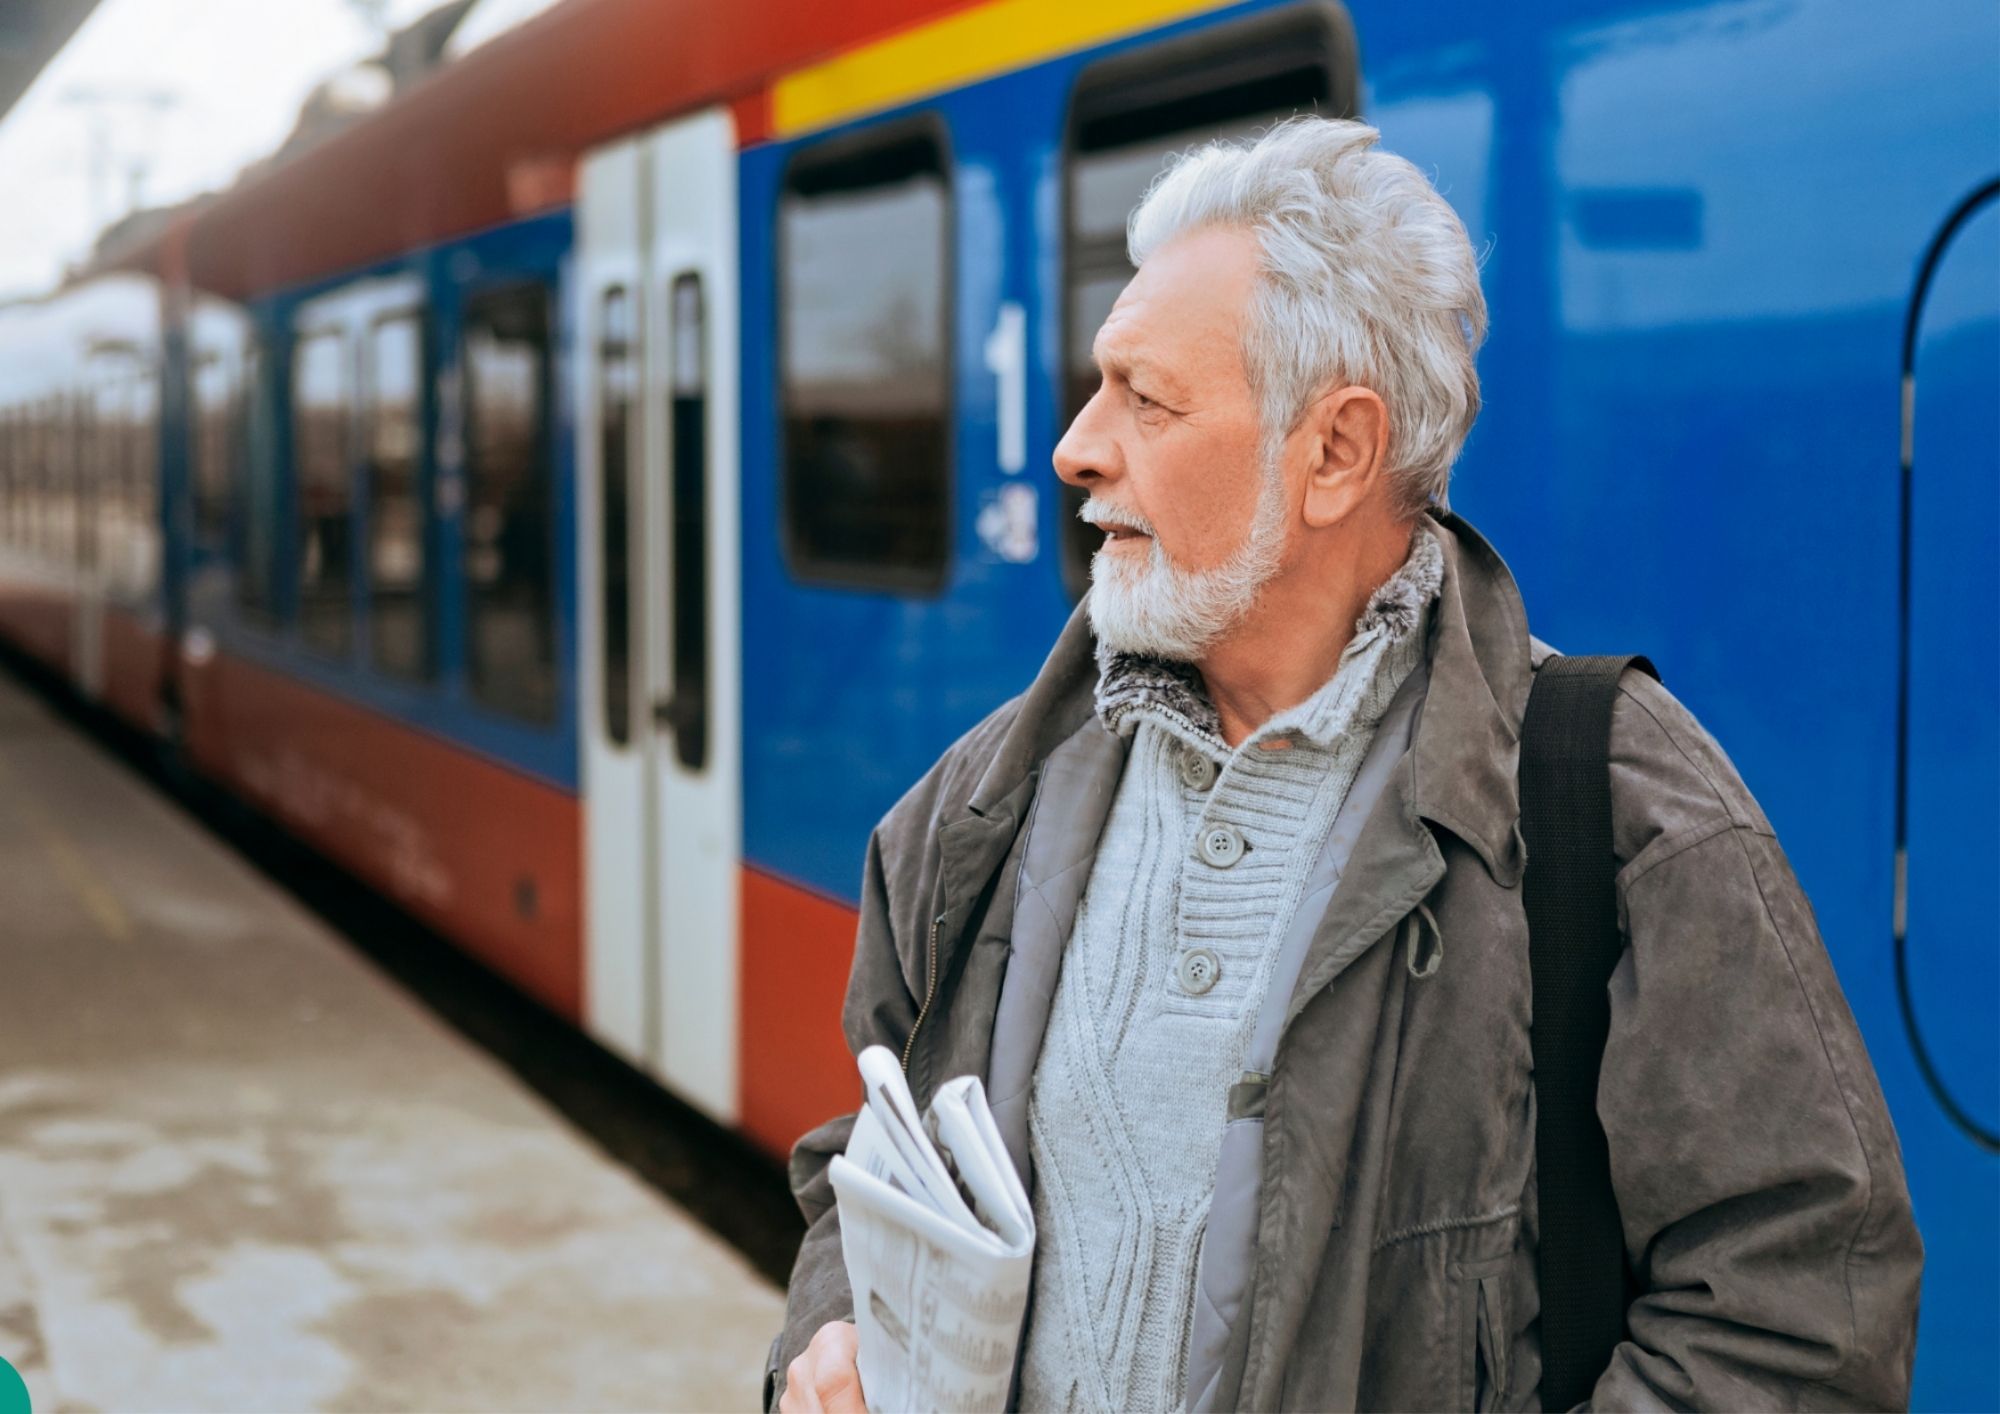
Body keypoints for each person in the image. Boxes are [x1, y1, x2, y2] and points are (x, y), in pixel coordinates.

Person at [767, 116, 1922, 1412]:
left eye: (1146, 398)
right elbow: (858, 1166)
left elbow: (1798, 1318)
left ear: (1334, 453)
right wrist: (835, 1338)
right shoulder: (981, 804)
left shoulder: (1632, 822)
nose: (1075, 448)